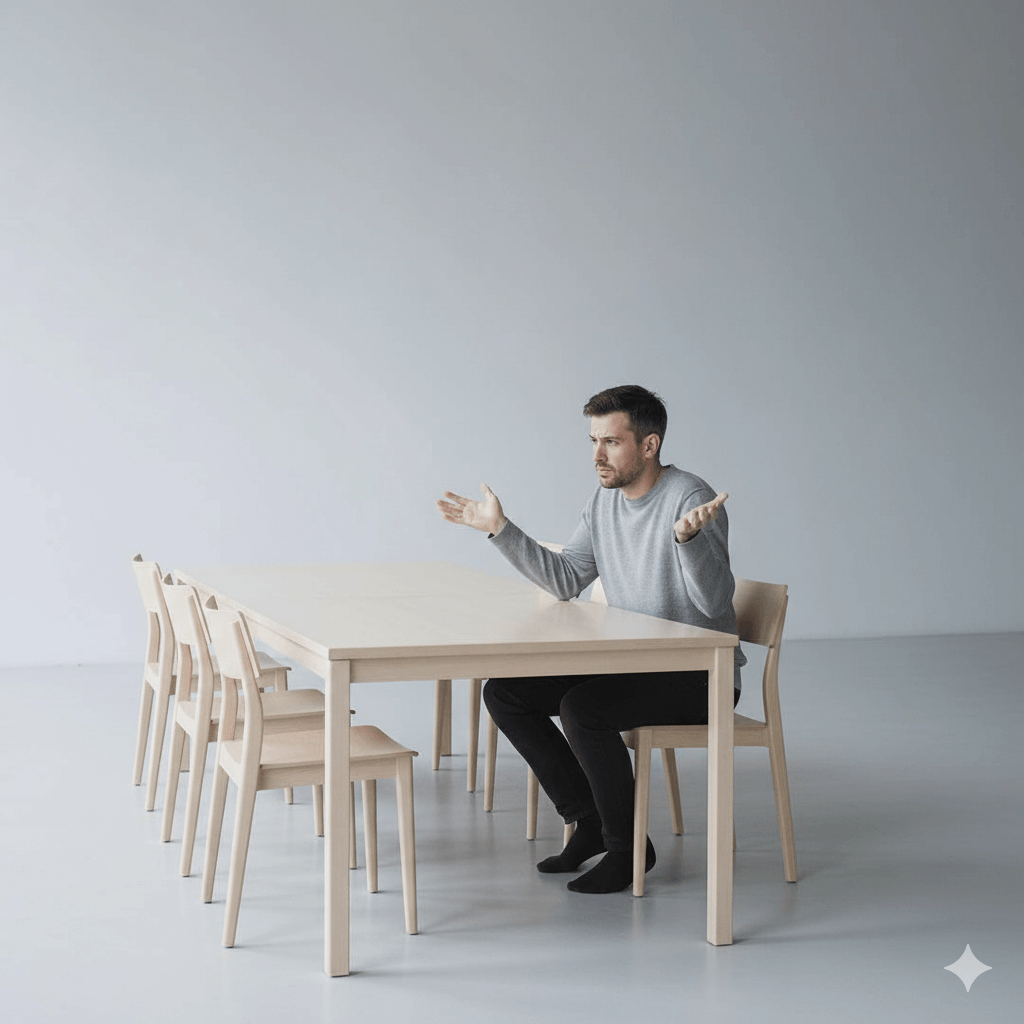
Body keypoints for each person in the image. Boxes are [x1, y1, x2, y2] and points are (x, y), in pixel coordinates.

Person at [435, 384, 745, 894]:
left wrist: (687, 543)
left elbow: (715, 607)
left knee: (584, 708)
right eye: (593, 440)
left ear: (649, 445)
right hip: (636, 662)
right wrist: (500, 529)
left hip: (698, 674)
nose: (598, 455)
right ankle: (590, 821)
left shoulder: (689, 497)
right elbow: (565, 579)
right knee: (505, 692)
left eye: (612, 442)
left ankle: (627, 850)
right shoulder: (604, 504)